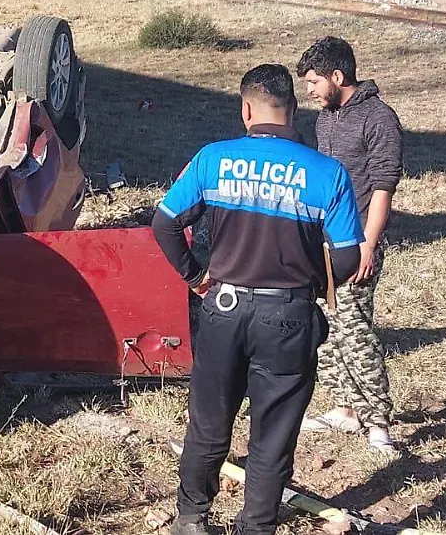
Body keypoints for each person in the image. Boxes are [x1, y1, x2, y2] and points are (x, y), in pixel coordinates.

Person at [151, 64, 364, 535]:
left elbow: (164, 223)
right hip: (289, 317)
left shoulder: (214, 159)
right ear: (292, 110)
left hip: (222, 309)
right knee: (272, 438)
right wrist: (312, 282)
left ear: (246, 109)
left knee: (208, 426)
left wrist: (196, 276)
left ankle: (190, 520)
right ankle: (255, 527)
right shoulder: (328, 173)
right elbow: (348, 259)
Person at [295, 36, 403, 453]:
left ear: (337, 77)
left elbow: (382, 188)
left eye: (314, 82)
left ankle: (378, 423)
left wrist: (368, 246)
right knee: (327, 330)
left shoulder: (378, 120)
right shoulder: (327, 119)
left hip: (356, 243)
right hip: (321, 244)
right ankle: (344, 409)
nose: (309, 92)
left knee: (356, 334)